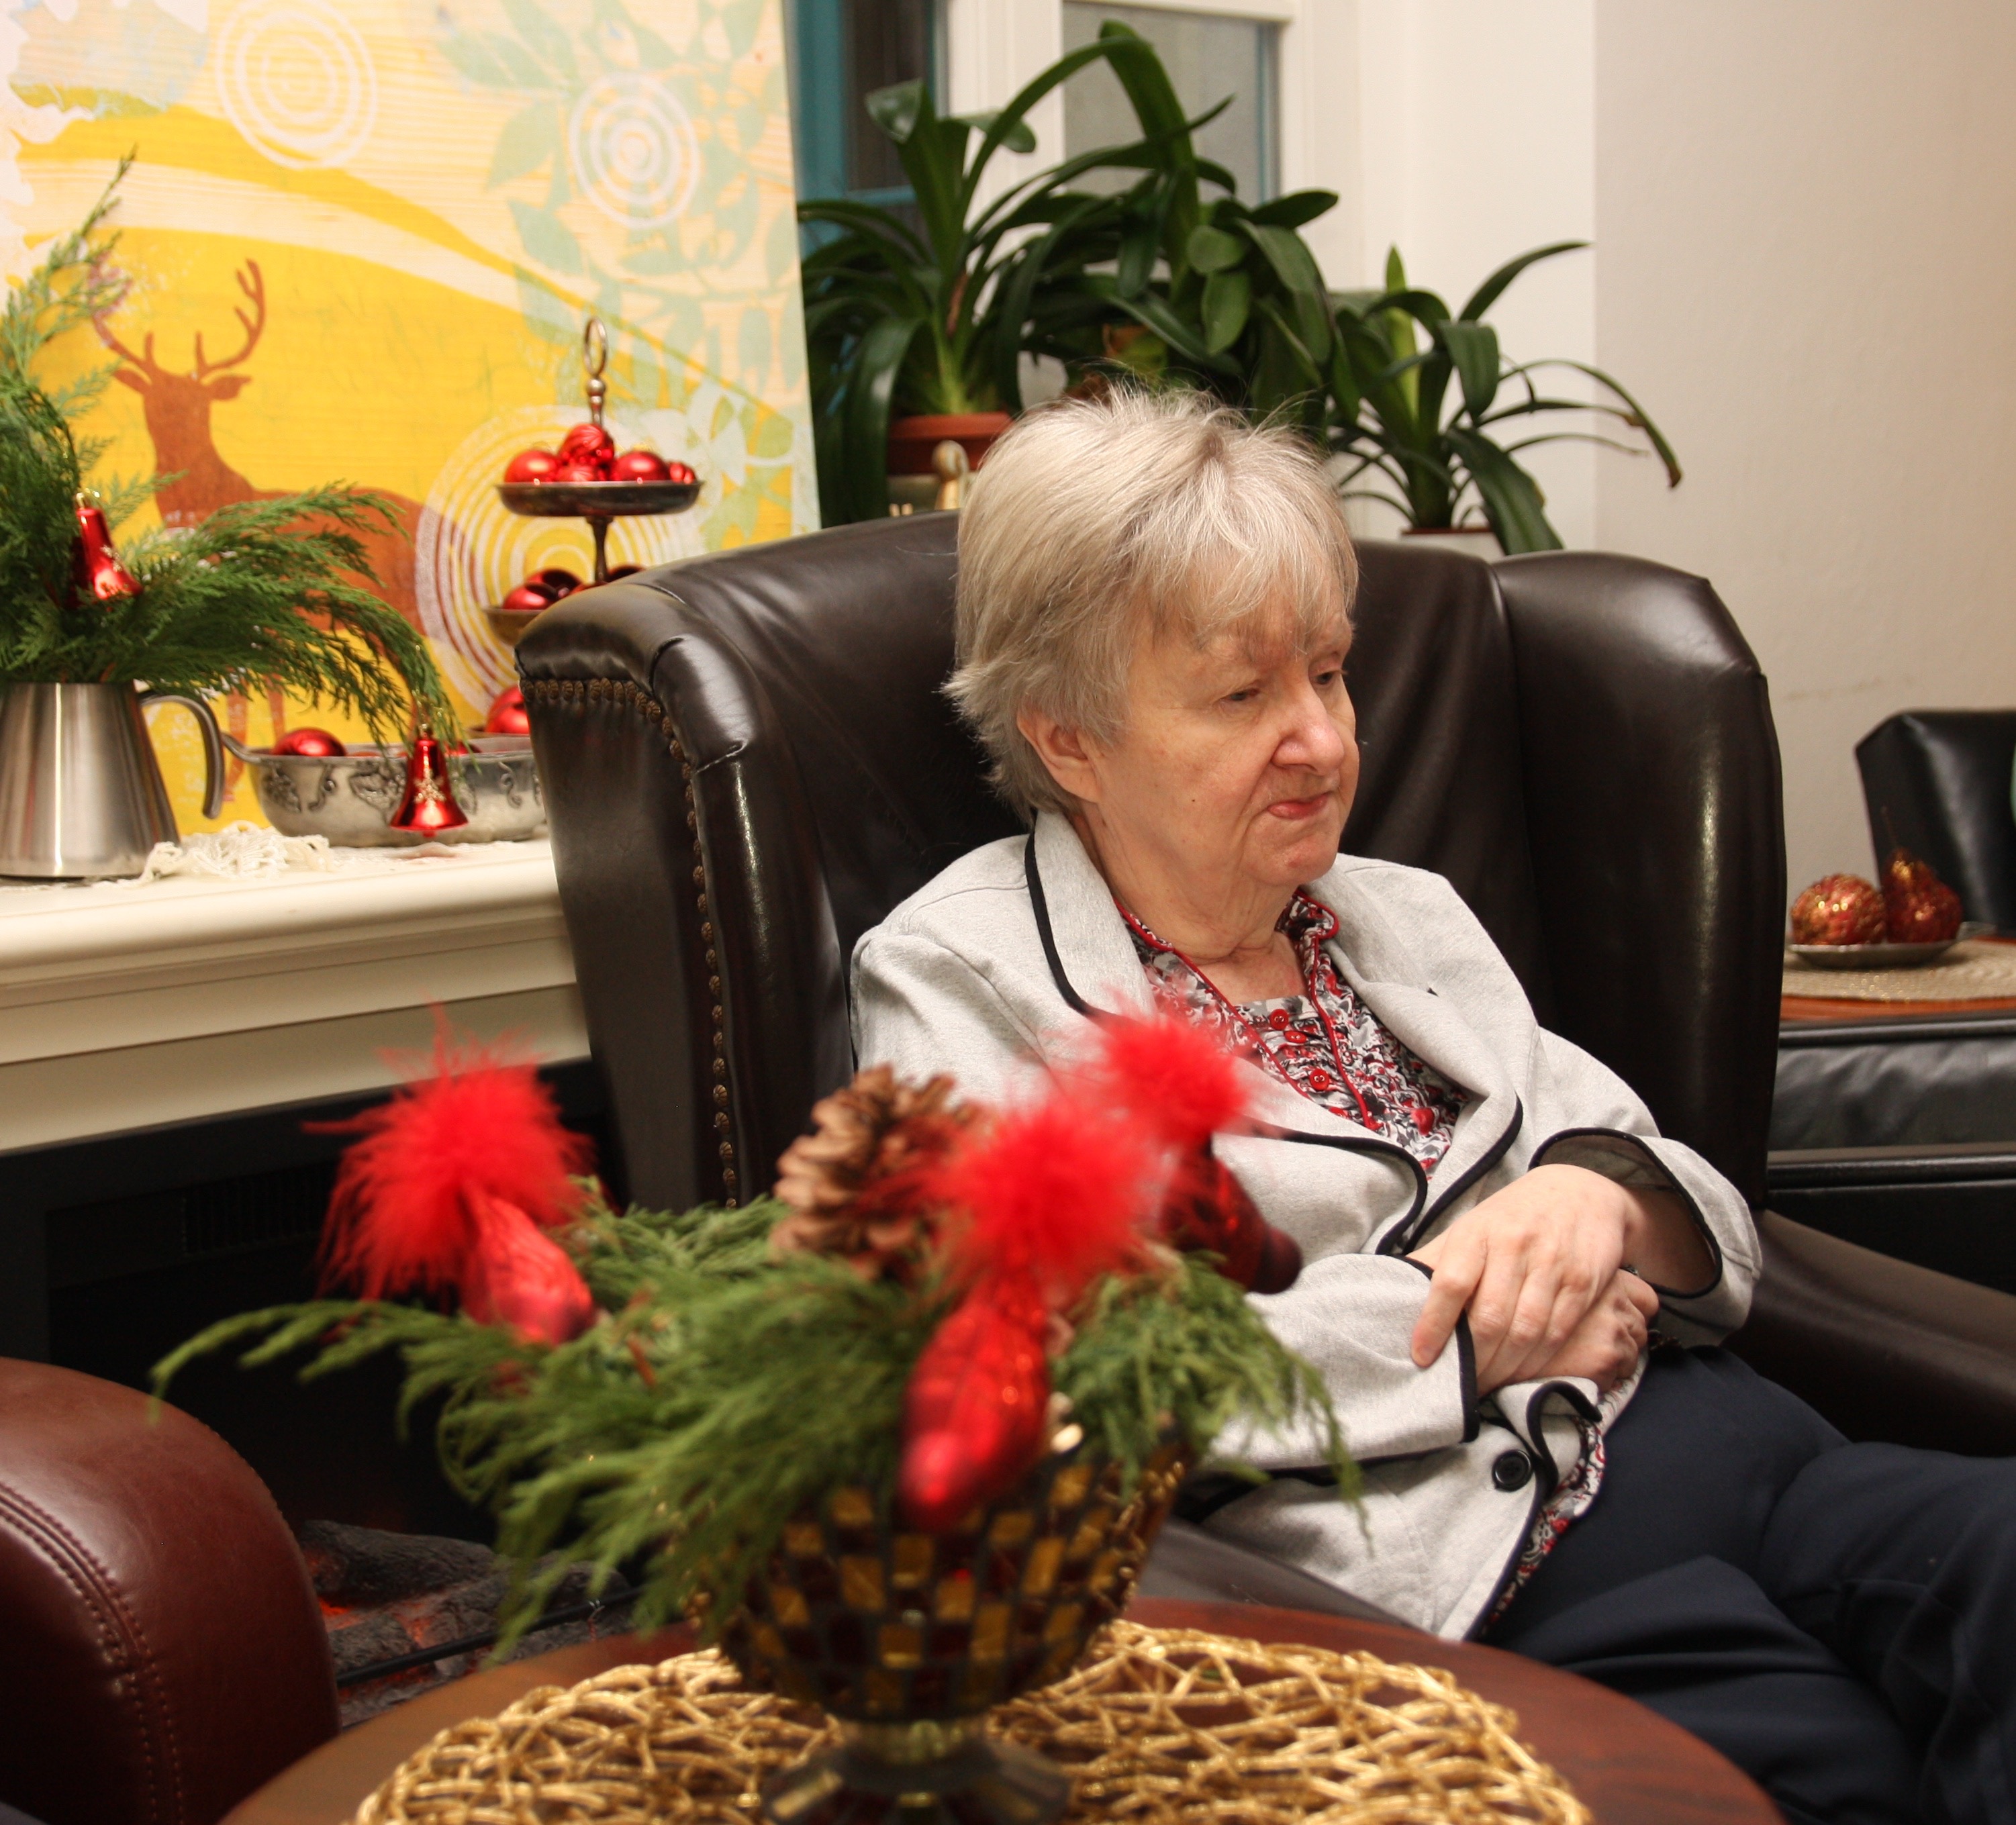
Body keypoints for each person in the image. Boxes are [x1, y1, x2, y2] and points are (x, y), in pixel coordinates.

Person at [850, 387, 2016, 1825]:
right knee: (1832, 1774)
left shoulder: (1400, 911)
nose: (1321, 739)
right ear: (1070, 737)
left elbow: (1683, 1189)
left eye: (1329, 675)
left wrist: (1594, 1195)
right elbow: (1058, 1364)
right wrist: (1471, 1329)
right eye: (1242, 696)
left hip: (1757, 1455)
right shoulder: (965, 975)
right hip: (1493, 1570)